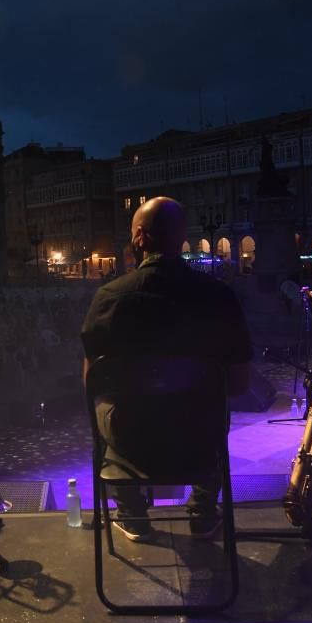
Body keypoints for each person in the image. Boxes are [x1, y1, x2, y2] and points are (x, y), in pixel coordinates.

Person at [81, 197, 253, 542]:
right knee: (216, 405)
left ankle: (131, 513)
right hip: (199, 441)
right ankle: (203, 511)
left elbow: (91, 384)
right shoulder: (218, 297)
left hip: (131, 439)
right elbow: (238, 383)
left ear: (141, 237)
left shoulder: (109, 298)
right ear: (180, 237)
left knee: (98, 403)